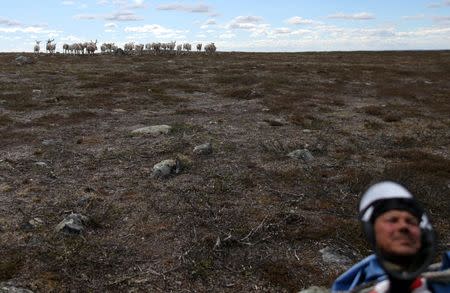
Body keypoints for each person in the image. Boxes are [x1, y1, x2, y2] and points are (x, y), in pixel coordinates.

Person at [332, 181, 450, 293]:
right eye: (392, 220)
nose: (403, 226)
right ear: (373, 232)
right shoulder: (356, 282)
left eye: (411, 221)